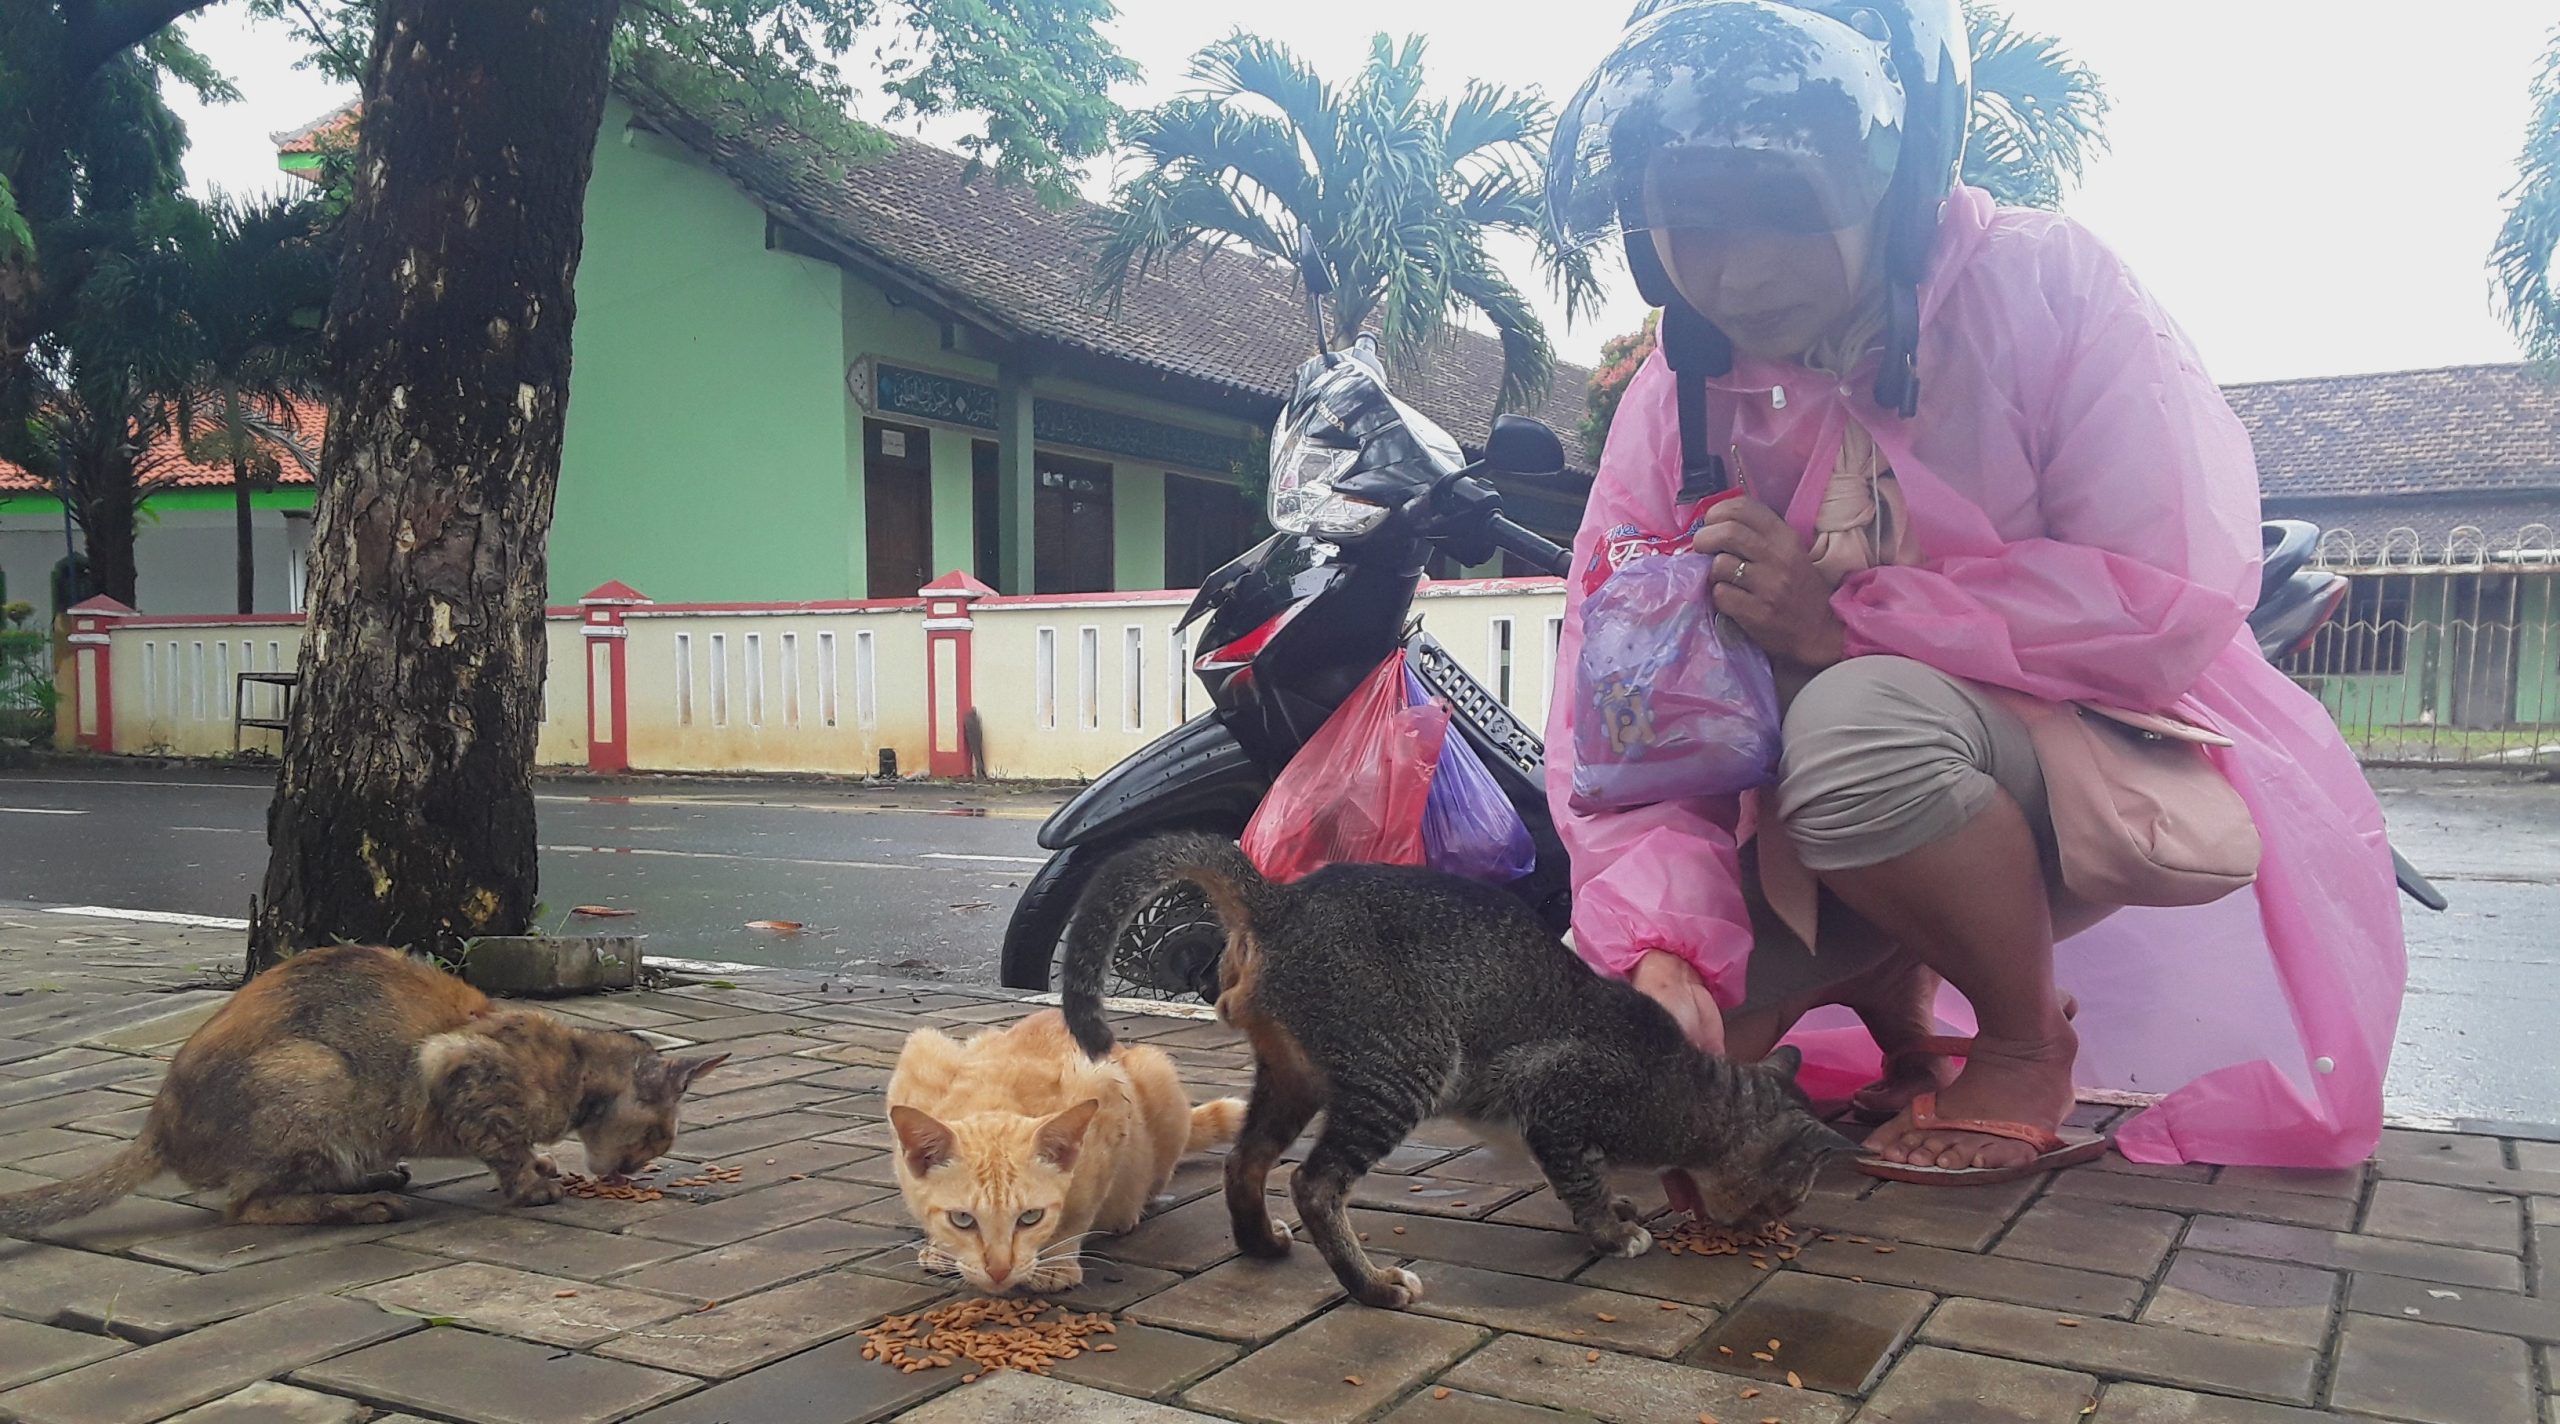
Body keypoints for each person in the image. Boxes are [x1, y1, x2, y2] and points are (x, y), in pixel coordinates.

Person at [1543, 0, 2407, 1176]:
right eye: (1690, 221)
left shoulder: (2047, 290)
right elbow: (1617, 718)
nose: (1735, 272)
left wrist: (1837, 627)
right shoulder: (1677, 395)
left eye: (1783, 211)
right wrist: (1659, 946)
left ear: (1889, 186)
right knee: (1656, 1080)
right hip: (1818, 802)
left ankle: (2015, 1038)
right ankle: (1895, 994)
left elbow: (2161, 597)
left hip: (2060, 767)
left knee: (1854, 729)